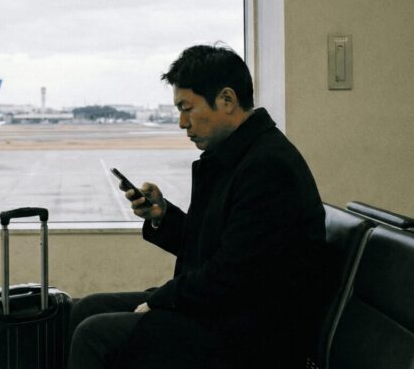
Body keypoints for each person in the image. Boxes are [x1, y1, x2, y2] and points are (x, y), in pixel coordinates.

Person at [68, 44, 326, 369]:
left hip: (254, 335)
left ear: (227, 100)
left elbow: (232, 275)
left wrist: (163, 300)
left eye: (187, 108)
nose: (181, 123)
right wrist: (163, 216)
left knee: (95, 335)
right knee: (86, 309)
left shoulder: (268, 168)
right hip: (227, 312)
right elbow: (219, 247)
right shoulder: (238, 157)